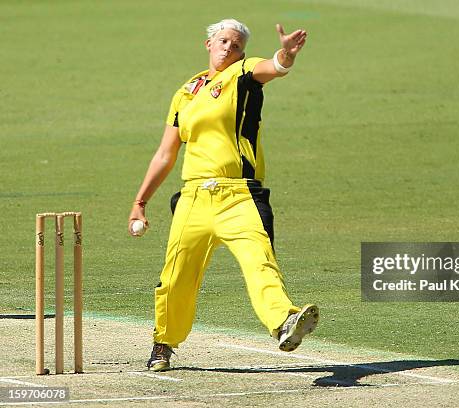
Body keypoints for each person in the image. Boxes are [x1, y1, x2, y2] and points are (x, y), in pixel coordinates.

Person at [128, 18, 319, 372]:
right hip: (193, 198)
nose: (228, 48)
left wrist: (286, 55)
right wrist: (140, 202)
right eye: (222, 41)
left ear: (241, 52)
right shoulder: (186, 91)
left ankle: (285, 322)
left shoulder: (243, 74)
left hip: (239, 196)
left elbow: (273, 67)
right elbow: (165, 154)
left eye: (235, 44)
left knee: (258, 261)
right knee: (175, 277)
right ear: (209, 44)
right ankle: (163, 343)